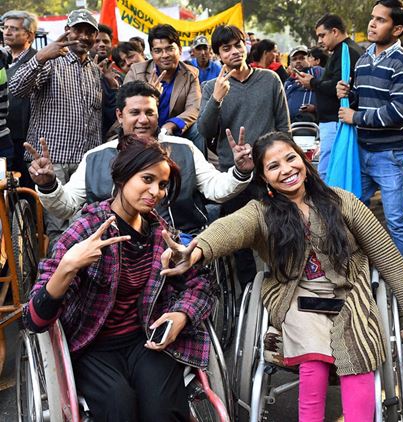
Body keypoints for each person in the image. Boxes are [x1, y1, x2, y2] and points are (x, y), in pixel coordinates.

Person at [160, 131, 403, 422]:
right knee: (313, 363)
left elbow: (388, 257)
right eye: (273, 166)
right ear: (263, 177)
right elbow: (230, 228)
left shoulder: (342, 201)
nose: (286, 169)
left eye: (290, 158)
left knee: (358, 356)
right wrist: (195, 251)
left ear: (303, 160)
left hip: (350, 295)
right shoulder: (261, 212)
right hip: (296, 297)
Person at [22, 136, 215, 421]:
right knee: (118, 405)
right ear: (122, 178)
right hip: (92, 343)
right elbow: (33, 320)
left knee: (162, 409)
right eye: (147, 179)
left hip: (145, 339)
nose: (156, 192)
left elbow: (201, 284)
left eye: (162, 184)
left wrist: (182, 315)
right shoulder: (87, 230)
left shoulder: (161, 233)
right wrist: (67, 268)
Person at [26, 80, 253, 234]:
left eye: (149, 113)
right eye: (135, 113)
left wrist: (241, 171)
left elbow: (216, 189)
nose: (143, 120)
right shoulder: (95, 158)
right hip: (111, 250)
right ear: (120, 115)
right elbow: (66, 206)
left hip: (180, 244)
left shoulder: (184, 149)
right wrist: (48, 185)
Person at [197, 24, 289, 285]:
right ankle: (249, 291)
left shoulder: (269, 80)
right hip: (233, 174)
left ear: (246, 46)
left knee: (279, 232)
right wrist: (216, 99)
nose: (234, 51)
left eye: (238, 45)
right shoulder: (211, 87)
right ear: (218, 55)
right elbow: (205, 130)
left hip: (270, 170)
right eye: (226, 48)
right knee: (240, 241)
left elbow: (284, 127)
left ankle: (282, 285)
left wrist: (285, 161)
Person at [336, 0, 403, 277]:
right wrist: (348, 94)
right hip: (361, 151)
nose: (372, 23)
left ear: (397, 29)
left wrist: (355, 117)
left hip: (391, 154)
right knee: (350, 211)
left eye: (381, 20)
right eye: (373, 18)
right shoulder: (363, 59)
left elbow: (398, 112)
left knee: (395, 219)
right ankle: (358, 273)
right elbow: (362, 101)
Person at [9, 9, 102, 238]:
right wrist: (40, 57)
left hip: (84, 162)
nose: (83, 36)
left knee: (83, 227)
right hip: (52, 161)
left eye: (89, 32)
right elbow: (17, 89)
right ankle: (56, 263)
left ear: (95, 36)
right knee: (58, 230)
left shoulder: (94, 69)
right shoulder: (51, 61)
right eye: (78, 30)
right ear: (67, 30)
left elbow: (95, 116)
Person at [293, 14, 363, 178]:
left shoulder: (346, 51)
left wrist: (312, 83)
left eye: (322, 35)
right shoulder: (341, 51)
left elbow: (338, 86)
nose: (319, 40)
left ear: (335, 32)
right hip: (333, 121)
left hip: (337, 122)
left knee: (329, 174)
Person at [124, 24, 201, 138]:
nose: (164, 55)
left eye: (170, 49)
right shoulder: (136, 71)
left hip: (174, 133)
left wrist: (171, 125)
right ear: (151, 53)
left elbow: (194, 108)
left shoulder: (190, 74)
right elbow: (126, 106)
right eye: (158, 51)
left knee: (199, 128)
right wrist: (150, 97)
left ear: (180, 50)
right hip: (140, 130)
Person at [2, 10, 37, 186]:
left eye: (14, 29)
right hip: (4, 135)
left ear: (29, 35)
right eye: (5, 27)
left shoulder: (38, 62)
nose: (7, 32)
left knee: (24, 190)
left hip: (25, 141)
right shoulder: (2, 59)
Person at [284, 45, 323, 123]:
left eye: (302, 58)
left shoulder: (317, 71)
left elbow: (328, 89)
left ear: (308, 59)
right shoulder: (288, 82)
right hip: (292, 124)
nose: (298, 61)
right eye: (294, 59)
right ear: (290, 64)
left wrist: (315, 108)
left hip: (315, 122)